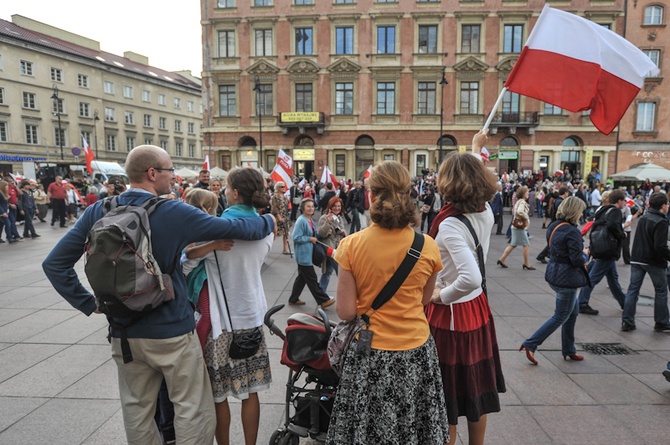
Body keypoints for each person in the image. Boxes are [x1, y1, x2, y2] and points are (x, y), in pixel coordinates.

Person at [41, 145, 276, 445]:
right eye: (169, 169)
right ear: (152, 173)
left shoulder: (99, 210)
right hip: (172, 332)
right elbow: (232, 228)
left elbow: (54, 264)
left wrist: (89, 303)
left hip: (124, 333)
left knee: (137, 411)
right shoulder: (172, 211)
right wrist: (268, 220)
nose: (174, 176)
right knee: (191, 408)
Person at [326, 160, 449, 445]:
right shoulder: (426, 245)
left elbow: (344, 312)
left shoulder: (351, 245)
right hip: (416, 350)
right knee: (414, 427)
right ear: (408, 194)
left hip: (372, 354)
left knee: (370, 429)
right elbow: (422, 301)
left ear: (371, 195)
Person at [182, 168, 273, 445]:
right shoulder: (265, 229)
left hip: (221, 324)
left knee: (218, 396)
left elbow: (185, 266)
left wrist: (205, 247)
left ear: (233, 193)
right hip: (253, 317)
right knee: (250, 392)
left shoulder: (213, 232)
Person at [426, 131, 506, 445]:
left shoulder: (449, 224)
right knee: (474, 387)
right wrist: (475, 149)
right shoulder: (484, 211)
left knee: (446, 393)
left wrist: (440, 295)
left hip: (452, 312)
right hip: (477, 307)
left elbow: (469, 276)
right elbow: (474, 281)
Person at [520, 197, 589, 365]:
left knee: (572, 313)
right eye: (581, 211)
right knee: (561, 315)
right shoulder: (572, 231)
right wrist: (586, 253)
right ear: (575, 212)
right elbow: (577, 260)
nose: (582, 214)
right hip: (567, 279)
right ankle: (531, 343)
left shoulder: (554, 225)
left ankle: (569, 350)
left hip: (555, 273)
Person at [621, 192, 670, 332]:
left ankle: (627, 321)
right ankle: (661, 321)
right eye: (667, 204)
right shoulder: (661, 221)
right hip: (653, 261)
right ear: (662, 206)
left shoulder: (645, 217)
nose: (668, 206)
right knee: (661, 290)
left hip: (637, 258)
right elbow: (660, 246)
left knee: (632, 290)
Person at [578, 190, 628, 315]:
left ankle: (625, 302)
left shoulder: (603, 210)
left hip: (601, 247)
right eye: (624, 201)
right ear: (619, 201)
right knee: (593, 278)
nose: (625, 203)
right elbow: (612, 225)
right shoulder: (615, 211)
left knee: (613, 279)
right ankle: (582, 303)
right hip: (608, 250)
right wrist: (621, 235)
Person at [288, 198, 335, 309]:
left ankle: (293, 299)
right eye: (308, 206)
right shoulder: (301, 220)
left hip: (307, 254)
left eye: (312, 206)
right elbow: (296, 237)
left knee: (302, 278)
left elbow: (315, 235)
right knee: (312, 278)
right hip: (303, 255)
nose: (311, 208)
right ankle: (323, 300)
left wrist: (327, 224)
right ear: (303, 208)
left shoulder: (309, 220)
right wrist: (309, 239)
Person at [497, 187, 536, 270]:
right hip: (520, 227)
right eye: (526, 193)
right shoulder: (522, 202)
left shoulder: (519, 201)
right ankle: (526, 263)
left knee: (513, 244)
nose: (528, 194)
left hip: (515, 226)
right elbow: (519, 211)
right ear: (523, 194)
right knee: (526, 244)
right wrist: (526, 217)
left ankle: (502, 259)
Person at [317, 197, 346, 293]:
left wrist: (343, 232)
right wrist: (328, 223)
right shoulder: (324, 218)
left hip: (338, 248)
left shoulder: (339, 218)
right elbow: (321, 233)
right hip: (330, 249)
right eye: (334, 206)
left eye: (339, 206)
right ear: (330, 206)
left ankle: (322, 296)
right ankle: (345, 296)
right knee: (342, 273)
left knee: (327, 273)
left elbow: (343, 233)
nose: (337, 208)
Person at [536, 186, 570, 264]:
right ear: (565, 193)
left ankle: (544, 255)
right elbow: (560, 213)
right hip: (556, 224)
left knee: (552, 242)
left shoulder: (558, 200)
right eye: (567, 192)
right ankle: (543, 255)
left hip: (555, 223)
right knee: (552, 242)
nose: (568, 194)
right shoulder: (560, 202)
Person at [271, 181, 291, 254]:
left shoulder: (284, 196)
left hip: (285, 216)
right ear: (278, 188)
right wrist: (278, 216)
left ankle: (285, 249)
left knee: (286, 233)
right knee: (274, 233)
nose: (284, 188)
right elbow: (274, 207)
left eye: (284, 186)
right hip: (278, 217)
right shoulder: (275, 196)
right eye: (282, 187)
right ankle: (266, 248)